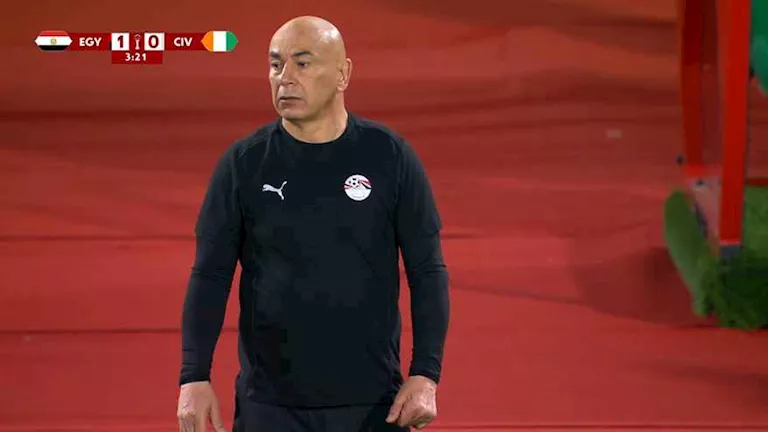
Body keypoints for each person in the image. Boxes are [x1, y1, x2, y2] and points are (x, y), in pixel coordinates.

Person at [176, 15, 450, 432]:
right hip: (269, 405)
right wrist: (193, 376)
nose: (284, 78)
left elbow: (427, 270)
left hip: (372, 403)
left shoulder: (389, 157)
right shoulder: (244, 164)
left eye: (302, 64)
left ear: (343, 74)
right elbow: (211, 275)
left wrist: (426, 373)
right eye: (275, 64)